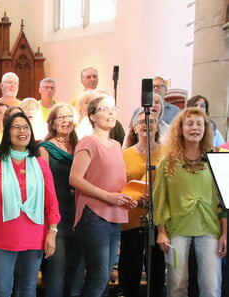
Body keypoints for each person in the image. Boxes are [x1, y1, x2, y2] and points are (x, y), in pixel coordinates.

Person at [0, 112, 60, 297]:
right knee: (2, 290)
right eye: (16, 127)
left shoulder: (40, 164)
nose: (22, 131)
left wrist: (52, 232)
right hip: (3, 235)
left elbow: (51, 202)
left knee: (28, 289)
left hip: (35, 234)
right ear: (7, 133)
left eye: (25, 127)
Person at [154, 107, 227, 297]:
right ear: (181, 129)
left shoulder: (215, 157)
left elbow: (223, 201)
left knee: (211, 286)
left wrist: (225, 232)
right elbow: (160, 199)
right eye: (190, 123)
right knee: (177, 284)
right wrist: (161, 231)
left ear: (205, 129)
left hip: (210, 228)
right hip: (177, 228)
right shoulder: (168, 162)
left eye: (199, 124)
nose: (195, 128)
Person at [69, 95, 137, 296]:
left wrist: (128, 197)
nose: (110, 112)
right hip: (95, 214)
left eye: (113, 108)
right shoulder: (88, 142)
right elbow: (75, 179)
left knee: (105, 276)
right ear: (92, 116)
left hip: (115, 214)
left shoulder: (116, 145)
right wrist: (109, 197)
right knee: (98, 276)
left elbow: (115, 180)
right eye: (104, 109)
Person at [38, 103, 84, 297]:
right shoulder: (44, 148)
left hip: (79, 214)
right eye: (61, 117)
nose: (66, 121)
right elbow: (43, 184)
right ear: (53, 124)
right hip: (57, 213)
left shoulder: (82, 147)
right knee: (58, 267)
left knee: (77, 269)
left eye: (69, 117)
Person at [119, 110, 165, 297]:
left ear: (158, 126)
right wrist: (134, 197)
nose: (147, 124)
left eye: (151, 121)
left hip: (158, 219)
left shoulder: (166, 152)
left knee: (156, 269)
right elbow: (119, 185)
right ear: (134, 128)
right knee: (131, 267)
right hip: (131, 217)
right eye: (141, 122)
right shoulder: (125, 155)